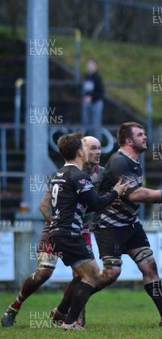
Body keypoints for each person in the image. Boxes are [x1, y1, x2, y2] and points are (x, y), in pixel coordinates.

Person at [92, 122, 162, 327]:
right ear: (128, 141)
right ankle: (69, 305)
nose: (145, 137)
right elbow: (135, 194)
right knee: (111, 273)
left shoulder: (134, 162)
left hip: (130, 225)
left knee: (149, 267)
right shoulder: (119, 162)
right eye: (140, 134)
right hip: (110, 225)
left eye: (144, 134)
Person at [1, 136, 105, 328]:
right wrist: (60, 224)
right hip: (56, 230)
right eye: (92, 148)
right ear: (81, 151)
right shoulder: (68, 174)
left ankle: (71, 318)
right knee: (43, 274)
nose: (97, 152)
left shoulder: (103, 175)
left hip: (82, 231)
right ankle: (14, 307)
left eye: (99, 148)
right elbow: (44, 205)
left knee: (83, 275)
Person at [49, 133, 128, 330]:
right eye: (86, 148)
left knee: (83, 275)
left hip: (58, 232)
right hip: (70, 233)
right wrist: (115, 193)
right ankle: (70, 323)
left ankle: (61, 314)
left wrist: (108, 197)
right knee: (92, 275)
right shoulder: (80, 176)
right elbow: (95, 203)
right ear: (79, 152)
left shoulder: (59, 173)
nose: (91, 152)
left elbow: (83, 203)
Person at [81, 59, 105, 139]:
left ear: (95, 66)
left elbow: (101, 92)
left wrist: (91, 97)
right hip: (87, 104)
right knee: (86, 124)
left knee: (95, 124)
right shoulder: (87, 76)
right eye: (88, 65)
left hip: (96, 103)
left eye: (91, 65)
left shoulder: (97, 78)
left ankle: (97, 143)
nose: (90, 67)